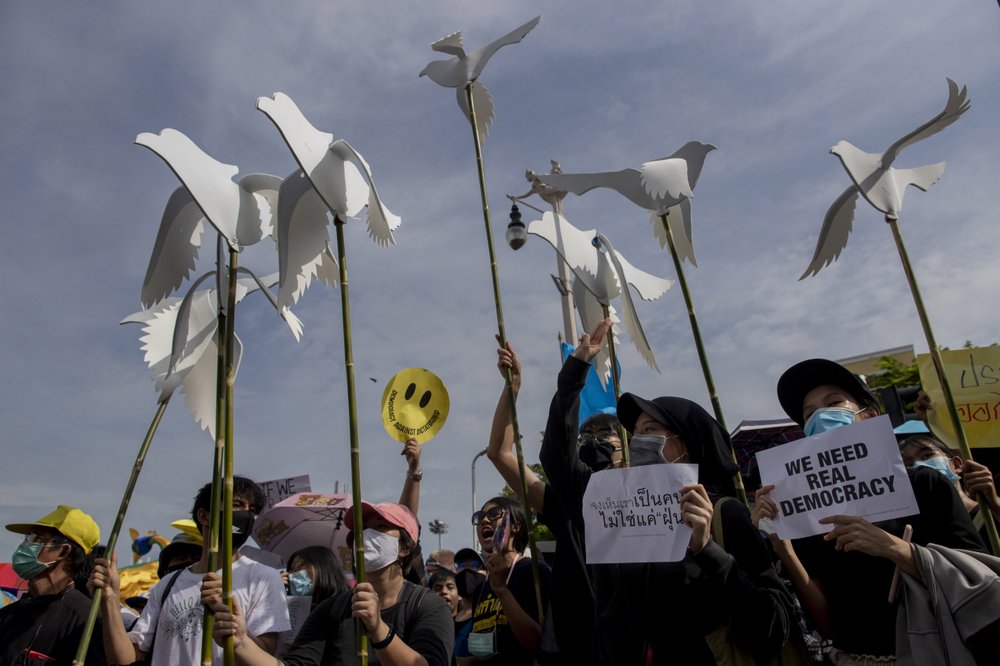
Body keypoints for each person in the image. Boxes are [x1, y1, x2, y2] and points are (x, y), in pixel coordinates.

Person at [753, 358, 988, 662]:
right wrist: (783, 546)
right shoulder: (808, 514)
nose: (821, 416)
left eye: (834, 402)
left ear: (871, 416)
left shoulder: (924, 485)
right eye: (809, 414)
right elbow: (828, 625)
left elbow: (977, 579)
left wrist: (898, 550)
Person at [489, 333, 620, 665]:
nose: (593, 442)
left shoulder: (649, 502)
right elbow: (500, 454)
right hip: (576, 648)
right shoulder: (568, 505)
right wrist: (513, 387)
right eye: (585, 437)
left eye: (605, 435)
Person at [211, 500, 454, 665]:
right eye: (363, 528)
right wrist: (241, 642)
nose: (367, 536)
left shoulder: (428, 606)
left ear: (403, 547)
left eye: (380, 528)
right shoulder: (332, 609)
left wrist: (378, 628)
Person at [89, 476, 290, 664]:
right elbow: (126, 658)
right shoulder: (169, 584)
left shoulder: (263, 578)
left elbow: (267, 653)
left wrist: (239, 637)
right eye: (236, 505)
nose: (245, 516)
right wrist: (110, 601)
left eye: (252, 510)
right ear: (204, 516)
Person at [0, 504, 107, 665]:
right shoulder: (7, 616)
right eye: (27, 538)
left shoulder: (85, 620)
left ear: (63, 552)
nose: (24, 546)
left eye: (36, 539)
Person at [468, 496, 551, 665]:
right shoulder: (481, 587)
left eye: (493, 514)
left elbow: (538, 644)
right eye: (480, 516)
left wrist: (502, 591)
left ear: (515, 526)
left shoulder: (534, 572)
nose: (484, 520)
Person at [899, 434, 1000, 553]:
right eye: (909, 465)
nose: (920, 467)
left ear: (956, 464)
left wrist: (995, 505)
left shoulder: (989, 513)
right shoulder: (913, 532)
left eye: (927, 455)